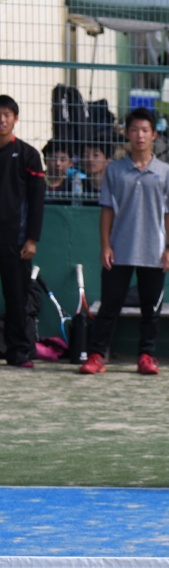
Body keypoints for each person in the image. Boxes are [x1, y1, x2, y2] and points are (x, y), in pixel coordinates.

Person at [79, 108, 169, 376]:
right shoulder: (114, 171)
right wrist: (105, 246)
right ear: (127, 134)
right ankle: (95, 356)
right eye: (135, 130)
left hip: (154, 253)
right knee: (109, 306)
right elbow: (107, 211)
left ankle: (146, 356)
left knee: (151, 309)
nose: (140, 135)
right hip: (119, 250)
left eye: (145, 130)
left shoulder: (167, 172)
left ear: (154, 135)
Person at [0, 94, 46, 368]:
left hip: (16, 242)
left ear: (15, 119)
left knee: (16, 298)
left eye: (7, 114)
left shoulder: (28, 155)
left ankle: (18, 352)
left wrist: (32, 239)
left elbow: (37, 201)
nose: (1, 119)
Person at [42, 139, 76, 204]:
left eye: (63, 160)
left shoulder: (72, 184)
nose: (58, 163)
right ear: (45, 161)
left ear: (70, 163)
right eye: (53, 159)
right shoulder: (36, 181)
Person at [79, 138, 110, 205]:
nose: (90, 159)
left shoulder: (115, 187)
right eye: (85, 155)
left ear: (108, 160)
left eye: (96, 155)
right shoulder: (77, 186)